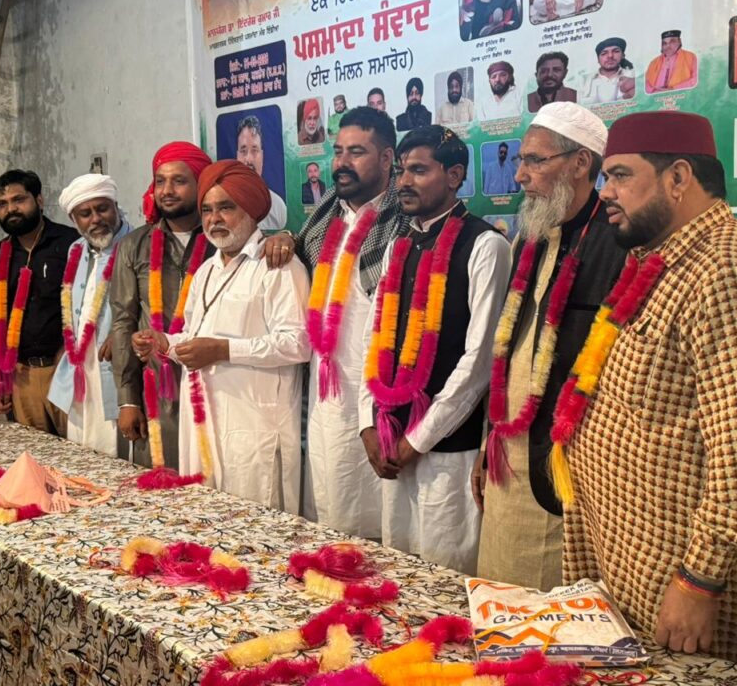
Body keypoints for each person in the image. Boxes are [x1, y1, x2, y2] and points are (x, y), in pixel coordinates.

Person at [563, 111, 737, 675]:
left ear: (678, 178)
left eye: (620, 176)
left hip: (682, 592)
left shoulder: (727, 273)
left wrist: (699, 581)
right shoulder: (661, 260)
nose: (605, 192)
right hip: (634, 569)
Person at [473, 102, 627, 591]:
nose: (520, 175)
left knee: (553, 602)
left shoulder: (619, 244)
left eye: (535, 161)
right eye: (521, 160)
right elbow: (508, 351)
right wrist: (489, 438)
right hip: (508, 450)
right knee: (499, 591)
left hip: (571, 463)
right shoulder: (532, 235)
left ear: (580, 164)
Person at [359, 125, 512, 573]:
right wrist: (368, 425)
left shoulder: (486, 245)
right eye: (401, 171)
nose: (403, 182)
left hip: (449, 451)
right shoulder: (399, 245)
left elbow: (479, 362)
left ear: (454, 175)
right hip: (392, 441)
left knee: (446, 575)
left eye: (419, 171)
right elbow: (372, 341)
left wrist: (419, 439)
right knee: (397, 569)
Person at [264, 106, 409, 539]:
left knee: (381, 516)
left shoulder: (405, 218)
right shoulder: (328, 208)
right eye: (338, 151)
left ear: (387, 158)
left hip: (376, 389)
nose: (342, 162)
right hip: (325, 389)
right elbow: (299, 245)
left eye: (356, 152)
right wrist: (284, 238)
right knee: (329, 502)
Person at [137, 161, 310, 512]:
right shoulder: (206, 270)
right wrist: (165, 343)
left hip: (255, 426)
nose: (214, 219)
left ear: (251, 210)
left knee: (256, 525)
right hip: (203, 423)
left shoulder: (278, 266)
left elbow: (297, 344)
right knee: (206, 519)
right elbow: (195, 336)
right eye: (207, 210)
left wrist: (223, 350)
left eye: (226, 208)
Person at [110, 142, 215, 469]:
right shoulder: (133, 245)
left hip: (213, 382)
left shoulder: (222, 239)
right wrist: (127, 400)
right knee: (158, 478)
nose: (167, 190)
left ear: (201, 184)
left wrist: (287, 237)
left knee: (212, 479)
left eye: (179, 181)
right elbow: (123, 322)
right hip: (154, 386)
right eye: (160, 181)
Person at [0, 169, 77, 435]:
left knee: (80, 452)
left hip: (65, 370)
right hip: (21, 375)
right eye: (2, 204)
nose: (11, 209)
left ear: (39, 200)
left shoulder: (70, 243)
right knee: (35, 453)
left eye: (19, 200)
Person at [48, 174, 132, 457]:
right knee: (81, 451)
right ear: (74, 220)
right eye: (85, 214)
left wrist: (123, 334)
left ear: (116, 206)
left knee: (116, 452)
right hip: (79, 368)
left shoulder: (136, 245)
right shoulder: (76, 249)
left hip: (117, 368)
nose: (96, 219)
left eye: (102, 208)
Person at [235, 115, 288, 231]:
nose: (249, 159)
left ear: (262, 156)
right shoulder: (225, 203)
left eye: (255, 150)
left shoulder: (278, 206)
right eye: (243, 151)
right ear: (237, 156)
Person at [581, 37, 636, 105]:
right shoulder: (584, 81)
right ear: (598, 59)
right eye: (604, 53)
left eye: (616, 51)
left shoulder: (634, 76)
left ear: (623, 55)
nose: (610, 56)